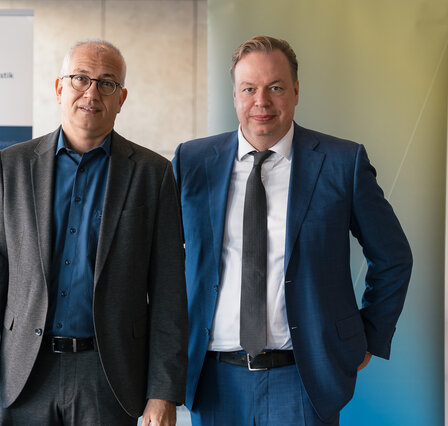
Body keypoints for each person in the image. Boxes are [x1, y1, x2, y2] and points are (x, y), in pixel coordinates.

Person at [173, 35, 412, 425]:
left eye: (276, 88)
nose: (261, 102)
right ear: (234, 95)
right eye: (249, 89)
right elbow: (160, 262)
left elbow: (393, 256)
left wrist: (369, 335)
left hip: (304, 380)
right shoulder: (192, 161)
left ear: (296, 91)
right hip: (214, 381)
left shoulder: (342, 162)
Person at [0, 39, 187, 426]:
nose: (92, 93)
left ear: (121, 98)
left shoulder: (153, 174)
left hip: (109, 376)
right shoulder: (12, 166)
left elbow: (169, 291)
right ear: (59, 87)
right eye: (80, 78)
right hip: (25, 374)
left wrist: (163, 392)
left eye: (107, 83)